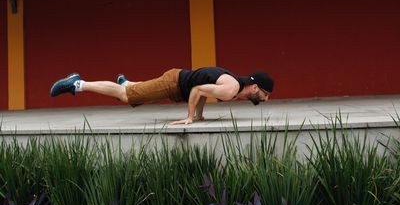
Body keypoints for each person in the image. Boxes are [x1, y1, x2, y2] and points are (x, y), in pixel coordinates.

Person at [50, 67, 274, 125]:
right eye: (265, 94)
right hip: (172, 84)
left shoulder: (232, 84)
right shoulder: (231, 89)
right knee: (125, 96)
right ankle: (78, 83)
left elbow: (203, 89)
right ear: (255, 88)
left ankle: (128, 83)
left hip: (175, 81)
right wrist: (189, 117)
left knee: (132, 91)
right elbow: (197, 91)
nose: (266, 99)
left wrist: (199, 115)